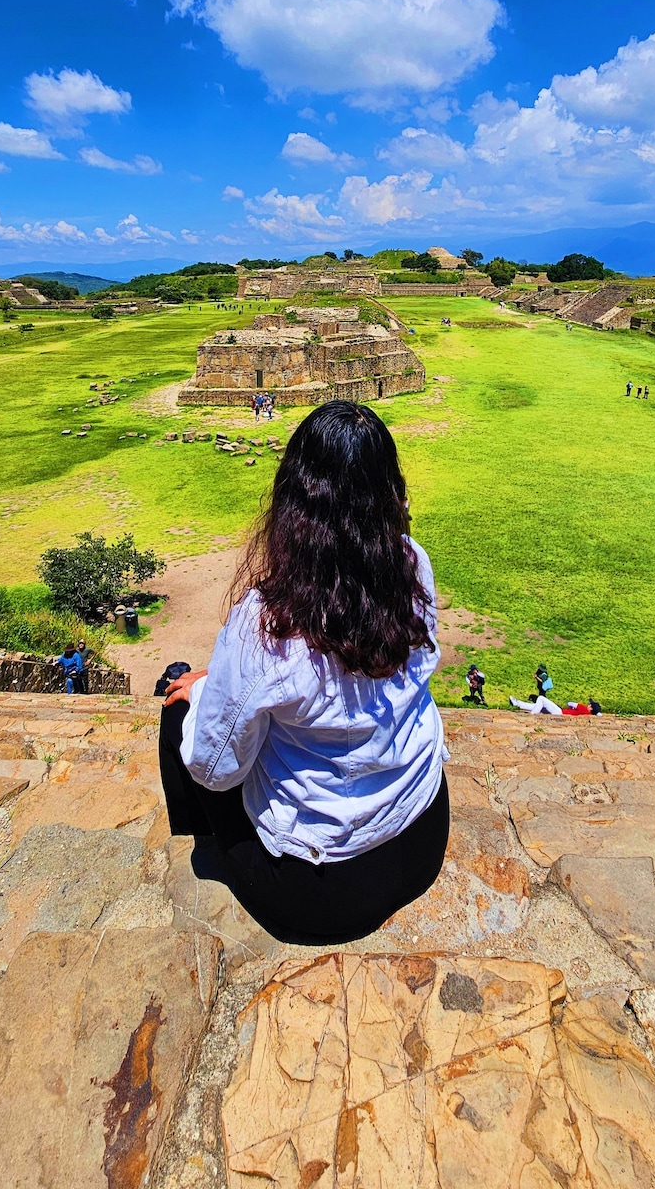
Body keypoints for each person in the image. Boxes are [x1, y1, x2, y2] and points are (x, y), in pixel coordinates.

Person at [158, 400, 449, 946]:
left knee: (179, 707)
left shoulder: (267, 624)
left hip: (322, 889)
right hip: (423, 832)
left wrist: (203, 694)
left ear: (294, 502)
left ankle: (204, 845)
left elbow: (214, 766)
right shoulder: (412, 565)